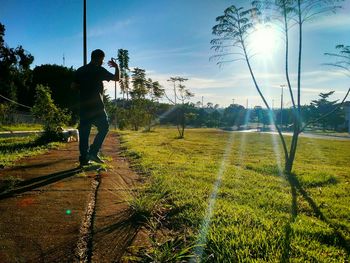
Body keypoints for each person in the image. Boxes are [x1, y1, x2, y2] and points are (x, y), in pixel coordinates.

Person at [72, 49, 119, 166]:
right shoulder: (99, 70)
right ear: (99, 58)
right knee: (104, 128)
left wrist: (82, 87)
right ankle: (93, 152)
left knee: (84, 134)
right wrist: (117, 67)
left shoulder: (80, 70)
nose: (102, 62)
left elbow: (73, 86)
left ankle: (84, 159)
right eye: (102, 59)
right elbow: (116, 78)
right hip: (97, 107)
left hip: (84, 107)